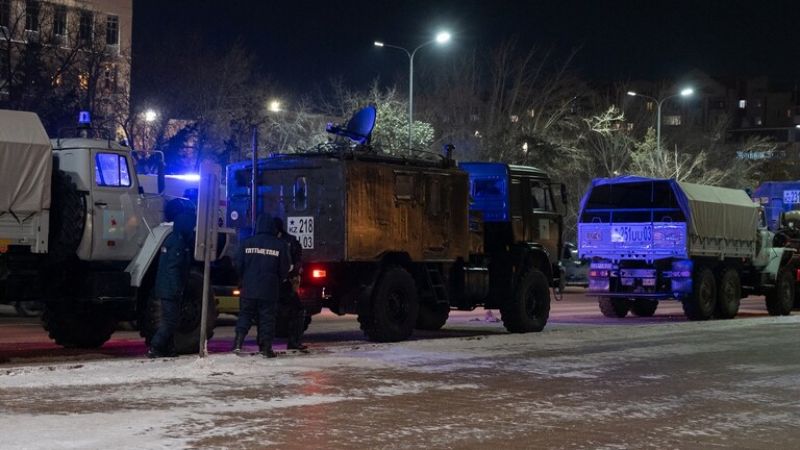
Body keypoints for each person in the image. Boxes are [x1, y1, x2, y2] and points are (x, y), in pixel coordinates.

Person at [233, 213, 290, 358]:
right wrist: (278, 280)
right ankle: (266, 348)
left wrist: (244, 278)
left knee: (245, 315)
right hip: (269, 289)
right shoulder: (280, 245)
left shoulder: (246, 243)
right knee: (267, 319)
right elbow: (284, 267)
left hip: (249, 287)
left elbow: (238, 264)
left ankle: (238, 344)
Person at [147, 211, 195, 358]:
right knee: (170, 321)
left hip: (166, 287)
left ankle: (168, 348)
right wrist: (177, 289)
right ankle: (156, 346)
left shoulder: (172, 239)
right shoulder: (178, 243)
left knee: (171, 319)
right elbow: (173, 268)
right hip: (170, 289)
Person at [274, 217, 308, 352]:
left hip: (275, 283)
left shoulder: (267, 240)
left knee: (295, 310)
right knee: (296, 310)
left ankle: (264, 344)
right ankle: (294, 341)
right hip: (283, 282)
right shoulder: (289, 241)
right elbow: (297, 260)